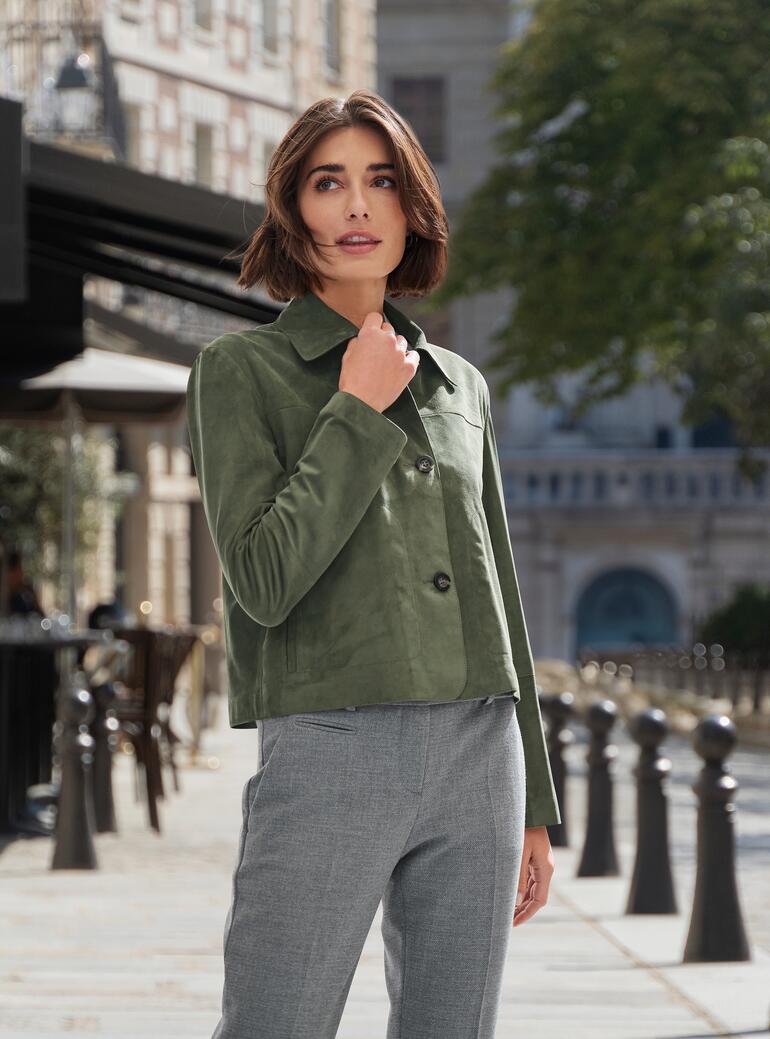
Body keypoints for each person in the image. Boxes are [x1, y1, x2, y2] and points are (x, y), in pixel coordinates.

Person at [186, 89, 561, 1039]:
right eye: (328, 182)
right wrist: (354, 410)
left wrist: (537, 806)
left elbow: (502, 598)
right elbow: (260, 581)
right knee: (275, 1023)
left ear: (411, 208)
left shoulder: (459, 386)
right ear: (292, 209)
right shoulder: (241, 374)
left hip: (483, 756)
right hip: (330, 747)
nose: (357, 206)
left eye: (381, 181)